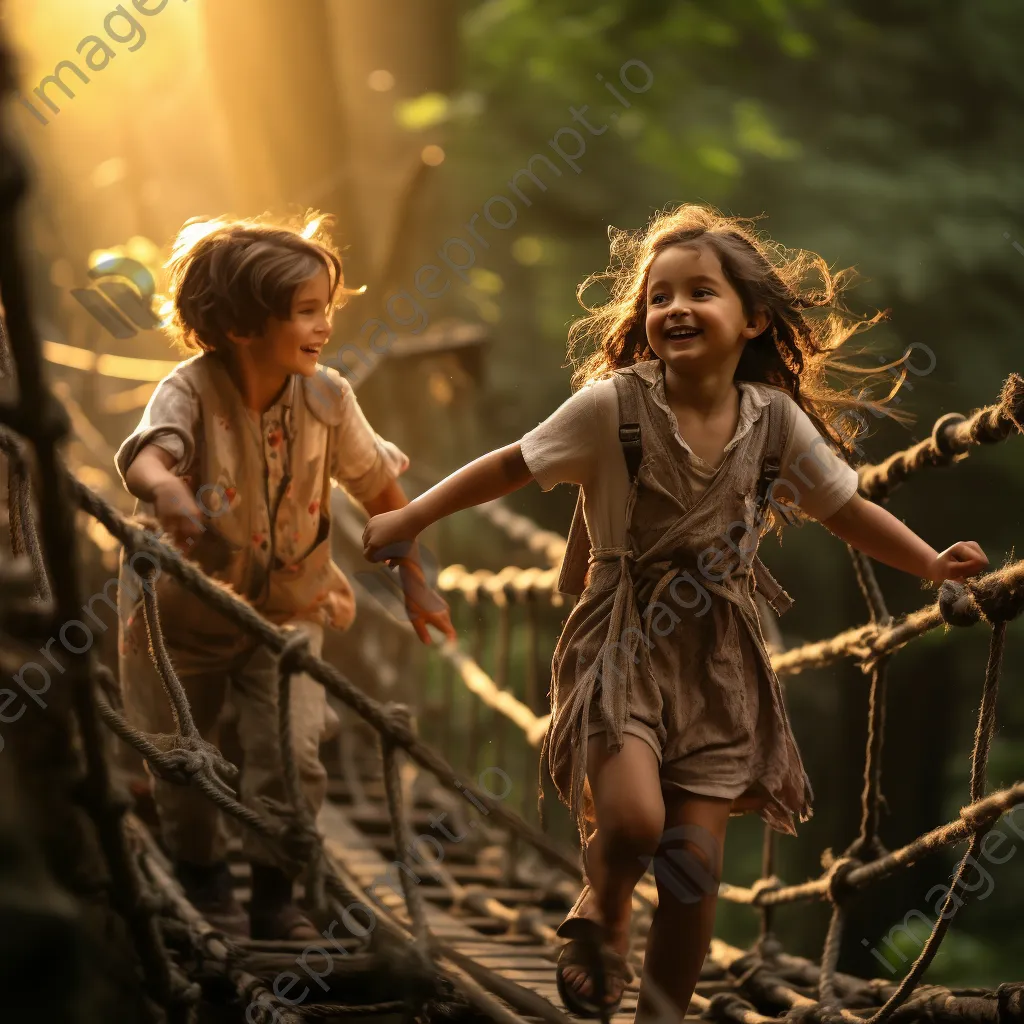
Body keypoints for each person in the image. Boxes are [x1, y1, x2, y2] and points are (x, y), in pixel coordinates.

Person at [361, 204, 989, 1021]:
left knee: (693, 866)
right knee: (628, 824)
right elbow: (510, 465)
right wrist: (412, 519)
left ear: (753, 318)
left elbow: (845, 509)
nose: (675, 309)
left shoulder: (774, 423)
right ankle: (608, 902)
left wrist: (931, 562)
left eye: (701, 292)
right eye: (658, 297)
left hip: (719, 651)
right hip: (619, 641)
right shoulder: (611, 407)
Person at [115, 213, 455, 941]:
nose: (324, 325)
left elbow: (382, 496)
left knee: (293, 752)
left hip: (289, 615)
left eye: (325, 308)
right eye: (306, 312)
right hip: (177, 620)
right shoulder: (190, 390)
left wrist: (416, 581)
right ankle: (203, 877)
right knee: (182, 759)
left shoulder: (329, 398)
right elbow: (148, 455)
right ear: (241, 326)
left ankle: (276, 891)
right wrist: (169, 491)